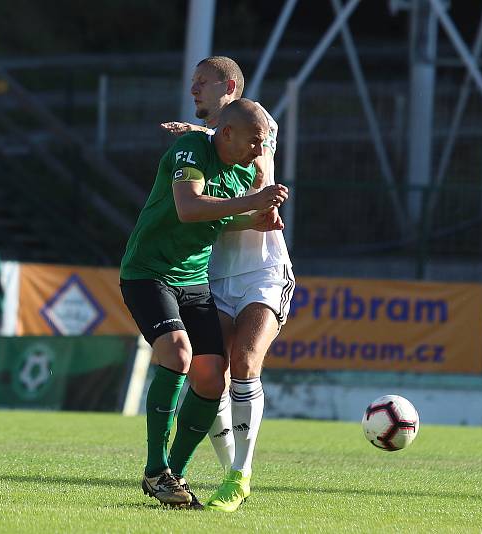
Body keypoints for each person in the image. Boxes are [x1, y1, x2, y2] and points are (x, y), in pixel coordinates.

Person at [120, 98, 288, 509]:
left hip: (194, 281)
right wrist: (251, 203)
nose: (258, 150)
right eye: (253, 141)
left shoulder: (242, 170)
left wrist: (257, 220)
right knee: (177, 354)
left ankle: (169, 477)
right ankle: (156, 466)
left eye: (262, 143)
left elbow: (224, 220)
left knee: (212, 377)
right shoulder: (190, 151)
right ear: (226, 134)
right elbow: (189, 206)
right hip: (149, 272)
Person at [161, 56, 295, 513]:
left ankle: (241, 475)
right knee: (209, 370)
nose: (194, 89)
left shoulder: (259, 122)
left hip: (262, 269)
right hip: (214, 273)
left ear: (230, 86)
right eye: (192, 81)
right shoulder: (197, 150)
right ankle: (228, 475)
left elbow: (262, 186)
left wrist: (200, 134)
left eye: (203, 82)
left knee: (244, 359)